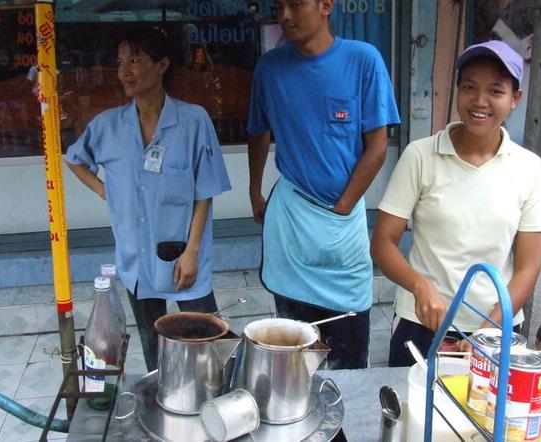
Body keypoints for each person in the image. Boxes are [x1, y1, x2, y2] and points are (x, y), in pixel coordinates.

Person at [371, 40, 541, 367]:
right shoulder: (420, 156)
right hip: (421, 326)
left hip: (495, 326)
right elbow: (383, 242)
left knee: (487, 418)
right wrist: (418, 284)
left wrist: (492, 325)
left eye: (495, 91)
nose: (479, 101)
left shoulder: (530, 168)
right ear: (457, 91)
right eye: (469, 87)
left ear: (515, 99)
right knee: (413, 414)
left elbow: (528, 266)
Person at [65, 27, 231, 372]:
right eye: (120, 61)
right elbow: (74, 159)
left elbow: (205, 192)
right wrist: (103, 189)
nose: (124, 70)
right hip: (137, 258)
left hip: (183, 256)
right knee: (153, 343)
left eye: (135, 60)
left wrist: (193, 252)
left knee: (204, 337)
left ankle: (210, 394)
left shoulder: (193, 120)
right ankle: (166, 395)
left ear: (162, 65)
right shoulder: (107, 126)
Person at [247, 0, 400, 369]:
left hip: (343, 225)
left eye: (295, 4)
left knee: (349, 353)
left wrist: (344, 206)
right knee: (294, 358)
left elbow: (376, 148)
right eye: (278, 6)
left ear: (326, 6)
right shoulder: (270, 69)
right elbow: (258, 132)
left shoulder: (363, 60)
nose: (284, 15)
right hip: (292, 220)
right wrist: (254, 191)